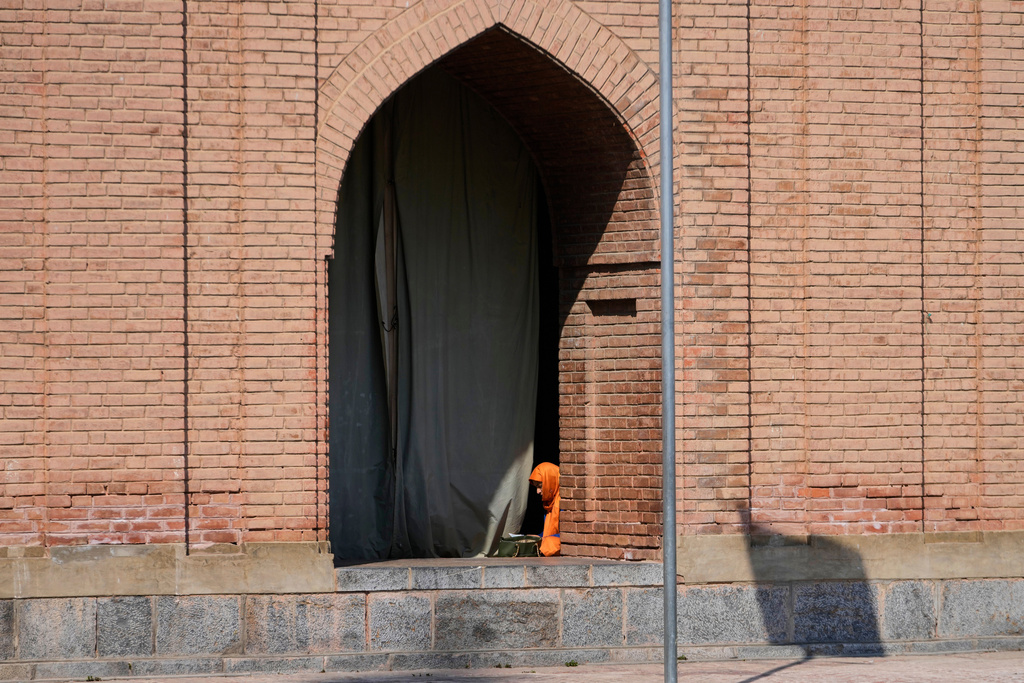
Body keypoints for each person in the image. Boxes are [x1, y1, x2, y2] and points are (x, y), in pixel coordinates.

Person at [528, 462, 560, 556]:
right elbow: (549, 534)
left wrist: (543, 540)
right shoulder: (549, 503)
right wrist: (538, 537)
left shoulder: (566, 502)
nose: (537, 491)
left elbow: (568, 536)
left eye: (540, 486)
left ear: (550, 481)